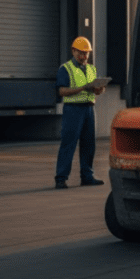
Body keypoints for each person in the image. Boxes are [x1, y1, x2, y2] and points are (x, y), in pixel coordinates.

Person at [55, 36, 106, 189]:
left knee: (89, 144)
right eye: (81, 53)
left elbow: (97, 91)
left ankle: (87, 176)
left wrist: (100, 89)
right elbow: (62, 91)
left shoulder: (91, 68)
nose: (84, 56)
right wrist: (83, 88)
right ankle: (61, 178)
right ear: (73, 51)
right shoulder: (65, 69)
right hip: (73, 110)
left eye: (86, 53)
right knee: (68, 143)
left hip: (89, 109)